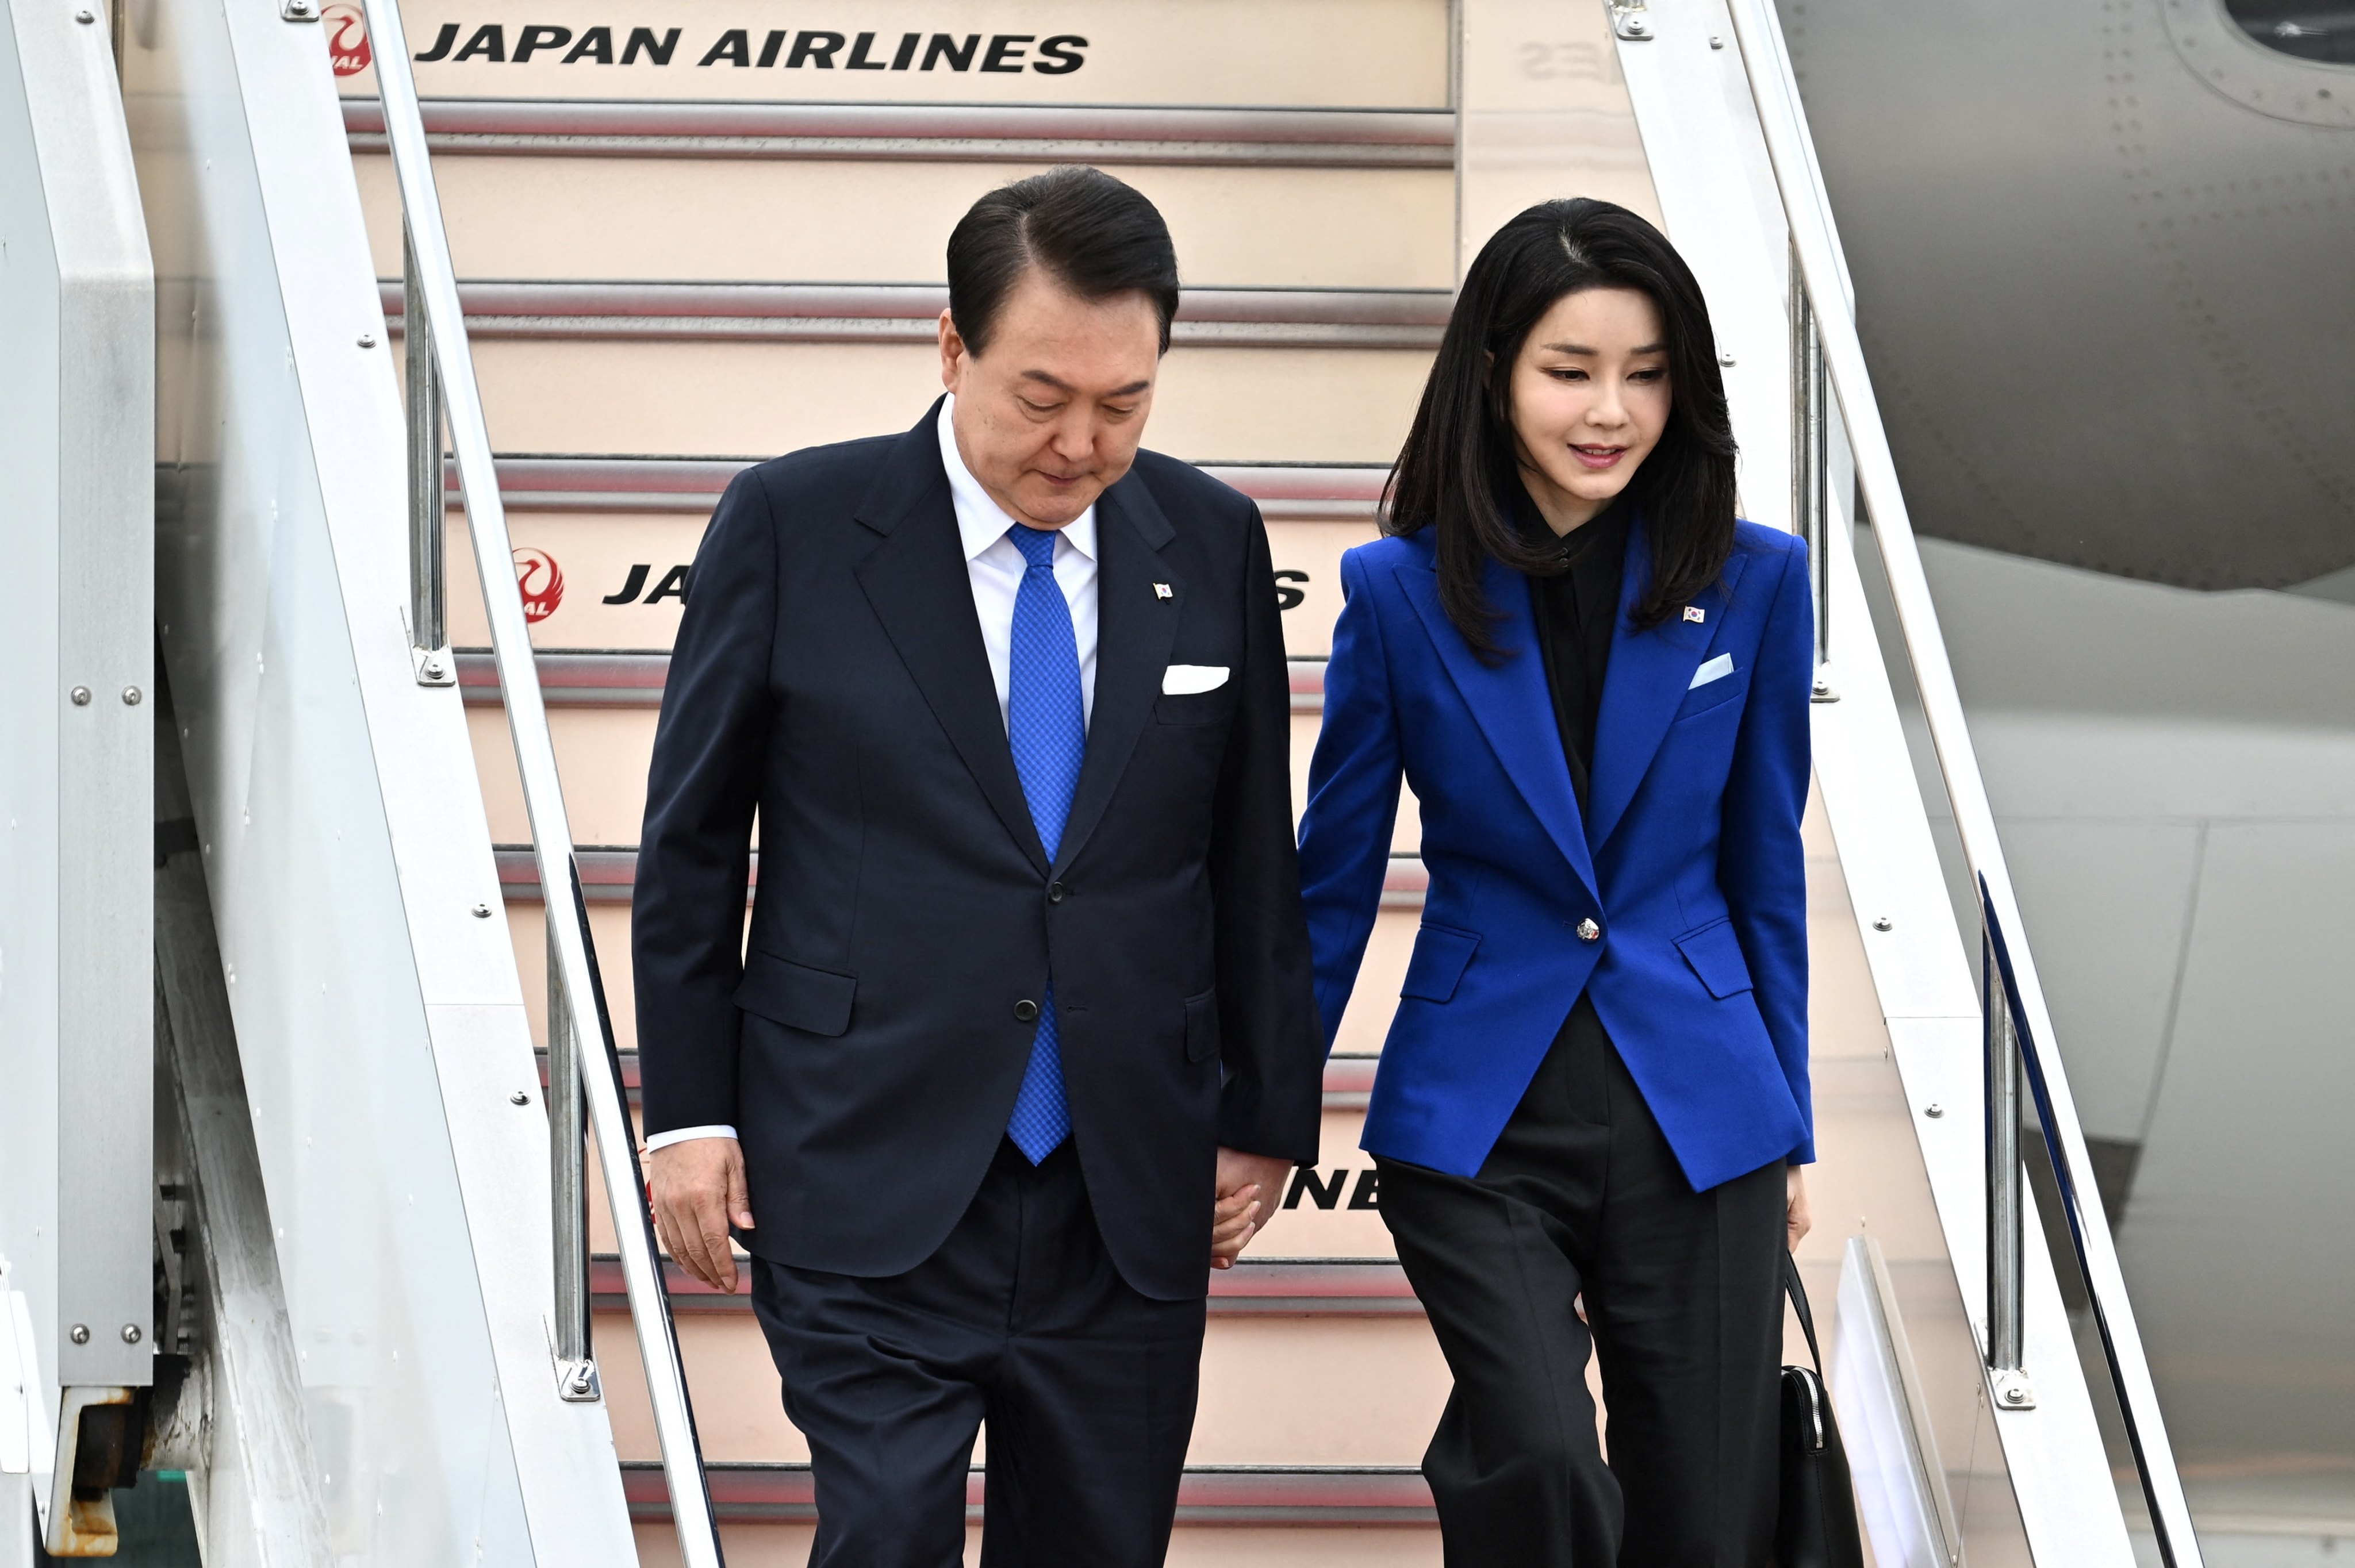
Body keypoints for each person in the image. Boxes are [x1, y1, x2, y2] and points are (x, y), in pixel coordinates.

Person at [630, 166, 1324, 1567]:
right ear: (950, 346)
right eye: (1040, 396)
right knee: (883, 1529)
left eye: (1124, 404)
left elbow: (1249, 852)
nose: (1080, 443)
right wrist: (686, 1111)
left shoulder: (1211, 537)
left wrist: (1261, 1108)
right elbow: (694, 843)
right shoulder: (795, 524)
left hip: (1122, 1175)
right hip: (863, 1149)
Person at [1295, 197, 1816, 1565]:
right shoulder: (1395, 592)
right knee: (1531, 1455)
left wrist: (1789, 1118)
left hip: (1698, 1108)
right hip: (1479, 1112)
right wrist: (1263, 1105)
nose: (1610, 410)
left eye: (1646, 374)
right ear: (1492, 372)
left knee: (1707, 1519)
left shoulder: (1756, 581)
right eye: (1569, 370)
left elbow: (1763, 865)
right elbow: (1330, 878)